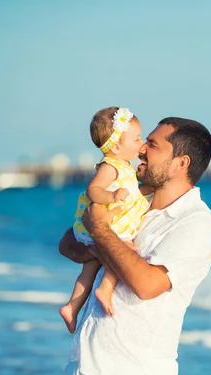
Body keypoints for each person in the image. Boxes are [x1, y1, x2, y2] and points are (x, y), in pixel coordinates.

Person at [58, 117, 211, 375]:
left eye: (153, 145)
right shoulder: (132, 196)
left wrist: (100, 230)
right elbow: (68, 244)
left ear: (181, 163)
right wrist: (99, 242)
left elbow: (146, 285)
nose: (142, 148)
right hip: (81, 371)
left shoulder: (196, 223)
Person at [60, 106, 152, 333]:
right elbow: (93, 190)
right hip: (109, 222)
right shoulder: (111, 167)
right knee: (122, 254)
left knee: (88, 270)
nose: (141, 143)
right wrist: (111, 196)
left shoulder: (124, 166)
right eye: (137, 138)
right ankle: (106, 288)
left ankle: (72, 307)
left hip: (109, 223)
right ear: (117, 146)